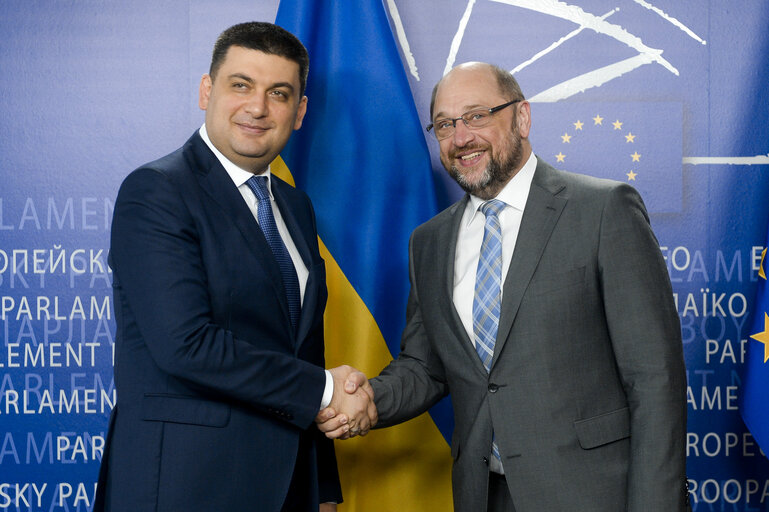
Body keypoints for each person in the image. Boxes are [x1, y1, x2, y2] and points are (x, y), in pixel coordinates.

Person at [318, 62, 689, 511]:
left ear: (522, 117)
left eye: (477, 116)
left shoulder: (603, 211)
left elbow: (654, 379)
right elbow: (427, 367)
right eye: (445, 124)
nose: (461, 138)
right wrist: (365, 398)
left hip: (594, 494)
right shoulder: (428, 242)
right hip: (484, 494)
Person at [95, 22, 375, 512]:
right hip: (187, 487)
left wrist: (322, 487)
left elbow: (301, 352)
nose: (257, 107)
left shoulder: (295, 207)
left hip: (288, 488)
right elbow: (186, 346)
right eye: (240, 85)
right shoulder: (157, 191)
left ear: (300, 111)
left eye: (279, 93)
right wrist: (329, 389)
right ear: (207, 90)